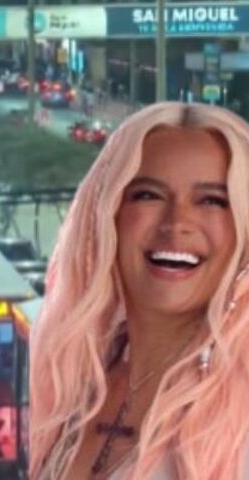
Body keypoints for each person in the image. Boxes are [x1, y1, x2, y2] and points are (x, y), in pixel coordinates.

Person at [29, 102, 249, 480]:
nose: (177, 223)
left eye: (212, 201)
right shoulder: (69, 379)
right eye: (148, 195)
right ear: (108, 214)